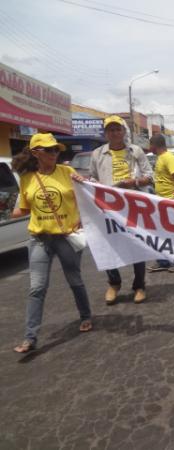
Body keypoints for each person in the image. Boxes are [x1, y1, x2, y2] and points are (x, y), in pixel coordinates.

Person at [11, 133, 92, 353]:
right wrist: (11, 211)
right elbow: (25, 209)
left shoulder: (68, 172)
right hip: (39, 239)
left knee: (74, 280)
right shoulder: (28, 178)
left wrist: (87, 185)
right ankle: (30, 338)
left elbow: (85, 197)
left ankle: (85, 316)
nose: (55, 153)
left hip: (66, 237)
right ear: (36, 153)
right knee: (36, 288)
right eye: (49, 150)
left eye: (57, 149)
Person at [89, 115, 154, 304]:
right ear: (105, 133)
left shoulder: (136, 151)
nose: (115, 133)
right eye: (111, 129)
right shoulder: (97, 154)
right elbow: (92, 178)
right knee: (108, 244)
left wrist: (132, 182)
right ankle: (114, 283)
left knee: (136, 245)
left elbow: (149, 176)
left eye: (118, 129)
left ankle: (139, 286)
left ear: (124, 131)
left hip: (133, 205)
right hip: (107, 208)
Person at [147, 134, 174, 273]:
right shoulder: (160, 158)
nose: (149, 148)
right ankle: (163, 261)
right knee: (160, 233)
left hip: (170, 201)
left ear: (154, 145)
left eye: (150, 145)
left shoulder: (168, 157)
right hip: (161, 201)